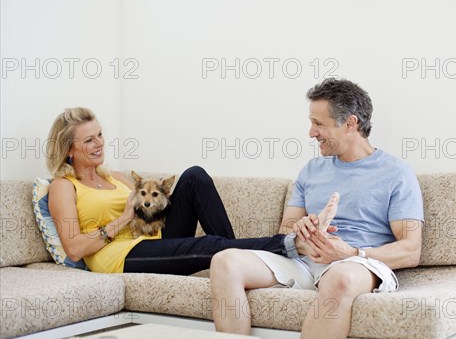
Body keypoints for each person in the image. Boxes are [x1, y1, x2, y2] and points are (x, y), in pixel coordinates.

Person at [210, 78, 425, 339]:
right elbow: (285, 230)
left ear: (350, 123)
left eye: (318, 124)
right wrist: (302, 229)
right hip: (303, 260)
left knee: (341, 278)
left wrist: (350, 251)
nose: (312, 133)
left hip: (357, 262)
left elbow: (411, 249)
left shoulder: (396, 173)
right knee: (225, 261)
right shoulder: (312, 170)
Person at [46, 107, 301, 274]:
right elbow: (75, 249)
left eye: (99, 135)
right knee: (207, 244)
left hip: (153, 237)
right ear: (69, 149)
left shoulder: (116, 176)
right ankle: (286, 245)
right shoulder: (64, 186)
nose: (99, 143)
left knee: (194, 177)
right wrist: (123, 218)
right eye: (89, 140)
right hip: (117, 256)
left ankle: (234, 260)